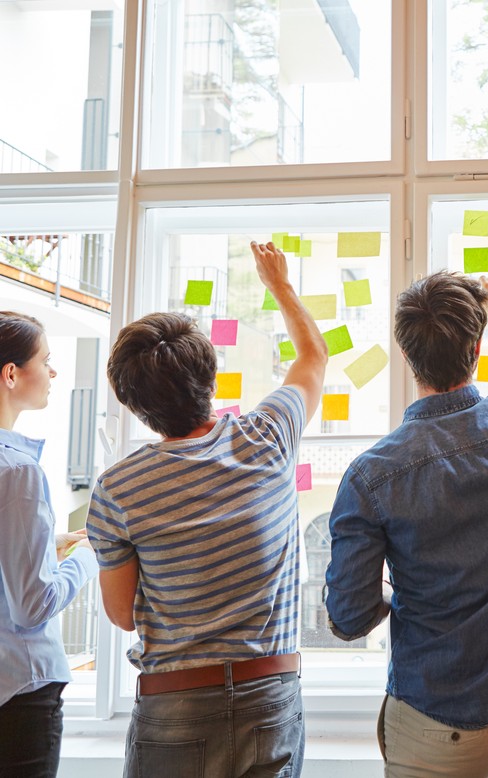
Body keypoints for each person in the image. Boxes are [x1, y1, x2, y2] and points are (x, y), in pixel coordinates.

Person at [86, 241, 328, 778]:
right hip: (270, 692)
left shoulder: (117, 489)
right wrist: (280, 285)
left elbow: (122, 613)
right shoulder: (267, 437)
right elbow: (313, 357)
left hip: (173, 703)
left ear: (136, 408)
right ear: (211, 378)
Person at [325, 271, 488, 777]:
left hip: (433, 722)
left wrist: (408, 597)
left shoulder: (372, 474)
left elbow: (347, 617)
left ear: (406, 355)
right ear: (477, 349)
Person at [0, 311, 98, 777]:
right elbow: (33, 607)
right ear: (11, 373)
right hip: (19, 691)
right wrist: (85, 558)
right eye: (47, 360)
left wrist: (48, 545)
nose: (54, 372)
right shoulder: (18, 472)